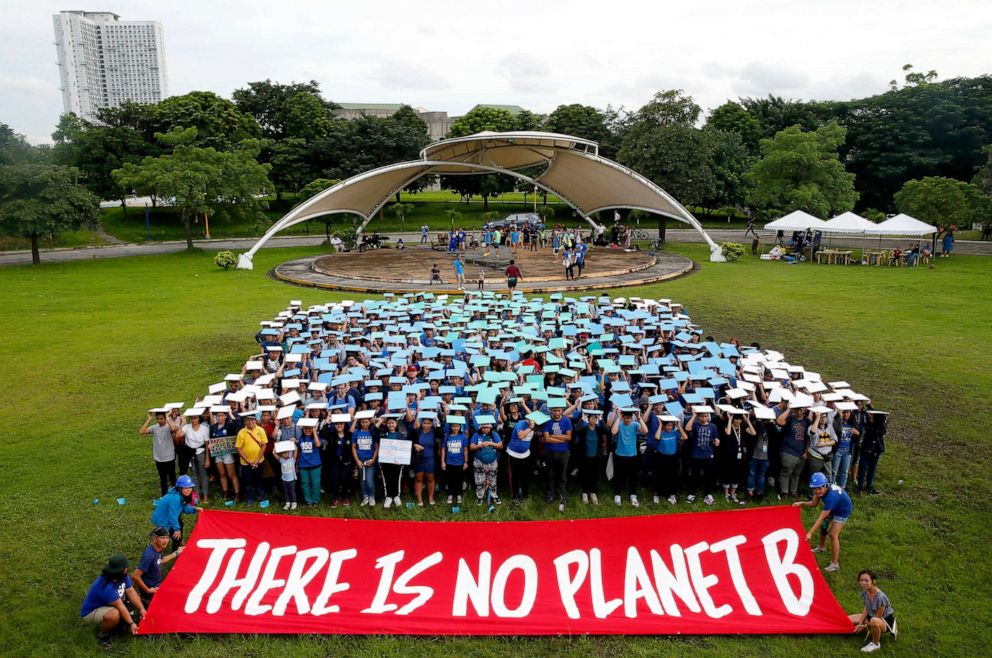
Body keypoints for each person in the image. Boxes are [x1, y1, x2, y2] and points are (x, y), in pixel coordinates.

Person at [80, 554, 147, 648]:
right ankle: (103, 636)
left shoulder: (123, 576)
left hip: (112, 603)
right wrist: (131, 623)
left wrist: (142, 609)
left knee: (136, 600)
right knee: (114, 615)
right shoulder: (105, 586)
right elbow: (120, 606)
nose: (127, 569)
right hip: (91, 612)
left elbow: (131, 591)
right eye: (125, 568)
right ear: (120, 571)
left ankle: (121, 624)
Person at [794, 472, 853, 572]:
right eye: (815, 489)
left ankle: (835, 564)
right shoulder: (819, 490)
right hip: (833, 508)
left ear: (825, 485)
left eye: (819, 488)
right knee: (823, 527)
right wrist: (802, 503)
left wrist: (810, 533)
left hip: (842, 511)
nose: (817, 491)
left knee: (833, 535)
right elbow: (814, 503)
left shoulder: (831, 497)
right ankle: (822, 547)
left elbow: (821, 517)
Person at [848, 569, 898, 653]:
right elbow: (866, 608)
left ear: (873, 581)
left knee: (874, 621)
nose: (863, 583)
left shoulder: (880, 597)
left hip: (884, 621)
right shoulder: (866, 592)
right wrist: (860, 623)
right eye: (861, 580)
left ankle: (875, 644)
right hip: (871, 616)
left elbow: (878, 617)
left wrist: (865, 626)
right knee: (847, 619)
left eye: (866, 580)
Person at [150, 474, 202, 552]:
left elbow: (184, 507)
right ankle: (176, 552)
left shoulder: (181, 494)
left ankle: (180, 543)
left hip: (170, 516)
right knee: (176, 536)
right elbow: (172, 515)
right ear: (180, 488)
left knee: (180, 524)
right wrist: (176, 529)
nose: (188, 490)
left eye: (190, 487)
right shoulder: (175, 498)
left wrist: (194, 509)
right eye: (185, 488)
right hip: (164, 519)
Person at [132, 527, 183, 606]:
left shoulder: (157, 549)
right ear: (154, 539)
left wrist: (176, 553)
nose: (165, 541)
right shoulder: (149, 556)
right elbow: (135, 576)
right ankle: (146, 600)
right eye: (162, 538)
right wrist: (148, 590)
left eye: (167, 538)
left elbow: (160, 561)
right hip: (152, 590)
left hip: (157, 585)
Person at [609, 408, 646, 507]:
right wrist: (619, 418)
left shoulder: (635, 424)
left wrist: (639, 418)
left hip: (632, 455)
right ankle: (617, 494)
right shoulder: (620, 424)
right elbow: (613, 432)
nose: (628, 420)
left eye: (630, 418)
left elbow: (645, 431)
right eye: (626, 418)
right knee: (618, 476)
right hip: (620, 455)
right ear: (623, 417)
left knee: (633, 476)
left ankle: (633, 494)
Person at [685, 410, 720, 505]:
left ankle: (708, 493)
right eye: (702, 416)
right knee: (694, 475)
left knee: (708, 475)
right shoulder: (696, 425)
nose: (704, 418)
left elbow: (716, 438)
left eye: (706, 416)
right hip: (696, 454)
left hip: (708, 454)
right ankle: (692, 493)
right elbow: (687, 428)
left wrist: (716, 441)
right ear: (698, 417)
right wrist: (693, 416)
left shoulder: (713, 426)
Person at [541, 406, 572, 512]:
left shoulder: (566, 421)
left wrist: (553, 436)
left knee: (562, 474)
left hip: (563, 452)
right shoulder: (547, 421)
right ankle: (550, 494)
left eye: (558, 410)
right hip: (549, 451)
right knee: (550, 474)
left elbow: (569, 437)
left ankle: (563, 494)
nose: (557, 412)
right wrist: (561, 439)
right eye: (554, 410)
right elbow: (546, 439)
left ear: (562, 411)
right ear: (551, 411)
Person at [140, 410, 176, 496]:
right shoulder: (154, 428)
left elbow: (173, 429)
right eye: (158, 419)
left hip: (169, 457)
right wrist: (149, 419)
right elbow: (142, 431)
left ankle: (175, 495)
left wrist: (168, 417)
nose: (159, 421)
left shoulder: (168, 427)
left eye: (161, 419)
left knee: (172, 477)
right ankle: (164, 496)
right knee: (162, 478)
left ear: (164, 418)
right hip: (158, 458)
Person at [235, 413, 268, 503]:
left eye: (253, 420)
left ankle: (261, 496)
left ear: (255, 420)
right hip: (246, 463)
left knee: (259, 480)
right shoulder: (241, 432)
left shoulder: (260, 430)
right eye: (249, 420)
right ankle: (249, 498)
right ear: (245, 421)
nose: (251, 422)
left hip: (259, 461)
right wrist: (248, 461)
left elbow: (264, 445)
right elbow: (238, 448)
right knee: (248, 482)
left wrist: (257, 460)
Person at [181, 410, 210, 504]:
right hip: (190, 453)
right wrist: (182, 422)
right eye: (192, 418)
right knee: (194, 475)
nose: (193, 420)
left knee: (203, 474)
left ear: (199, 418)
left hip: (201, 452)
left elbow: (207, 444)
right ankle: (196, 495)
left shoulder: (204, 429)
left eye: (195, 418)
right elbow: (178, 435)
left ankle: (205, 495)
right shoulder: (187, 427)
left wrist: (207, 459)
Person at [351, 415, 379, 506]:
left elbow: (376, 448)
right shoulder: (356, 432)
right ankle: (365, 496)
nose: (364, 424)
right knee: (362, 480)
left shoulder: (372, 432)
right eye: (362, 422)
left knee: (369, 480)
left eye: (366, 422)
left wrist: (373, 460)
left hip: (370, 460)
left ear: (370, 422)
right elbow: (353, 447)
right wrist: (357, 461)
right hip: (360, 460)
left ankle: (372, 496)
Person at [441, 418, 469, 505]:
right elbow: (443, 449)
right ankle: (450, 494)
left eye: (457, 426)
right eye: (453, 426)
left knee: (459, 479)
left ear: (460, 427)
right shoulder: (447, 436)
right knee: (450, 479)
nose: (455, 428)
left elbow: (465, 449)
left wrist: (466, 461)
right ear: (450, 427)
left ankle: (459, 494)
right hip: (449, 462)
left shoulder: (463, 436)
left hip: (460, 462)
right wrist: (442, 462)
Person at [297, 420, 322, 507]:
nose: (307, 430)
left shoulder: (316, 437)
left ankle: (315, 500)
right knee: (305, 484)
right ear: (302, 429)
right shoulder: (301, 438)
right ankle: (308, 501)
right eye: (305, 428)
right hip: (303, 465)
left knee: (315, 483)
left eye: (309, 428)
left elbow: (318, 445)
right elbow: (299, 451)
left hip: (315, 465)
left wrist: (314, 431)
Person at [276, 440, 298, 510]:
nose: (284, 454)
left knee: (292, 492)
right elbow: (273, 453)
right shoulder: (281, 460)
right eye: (282, 453)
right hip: (284, 479)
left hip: (291, 480)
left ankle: (294, 503)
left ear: (289, 453)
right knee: (286, 492)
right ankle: (287, 503)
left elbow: (296, 450)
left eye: (286, 453)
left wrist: (293, 443)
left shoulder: (292, 459)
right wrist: (276, 445)